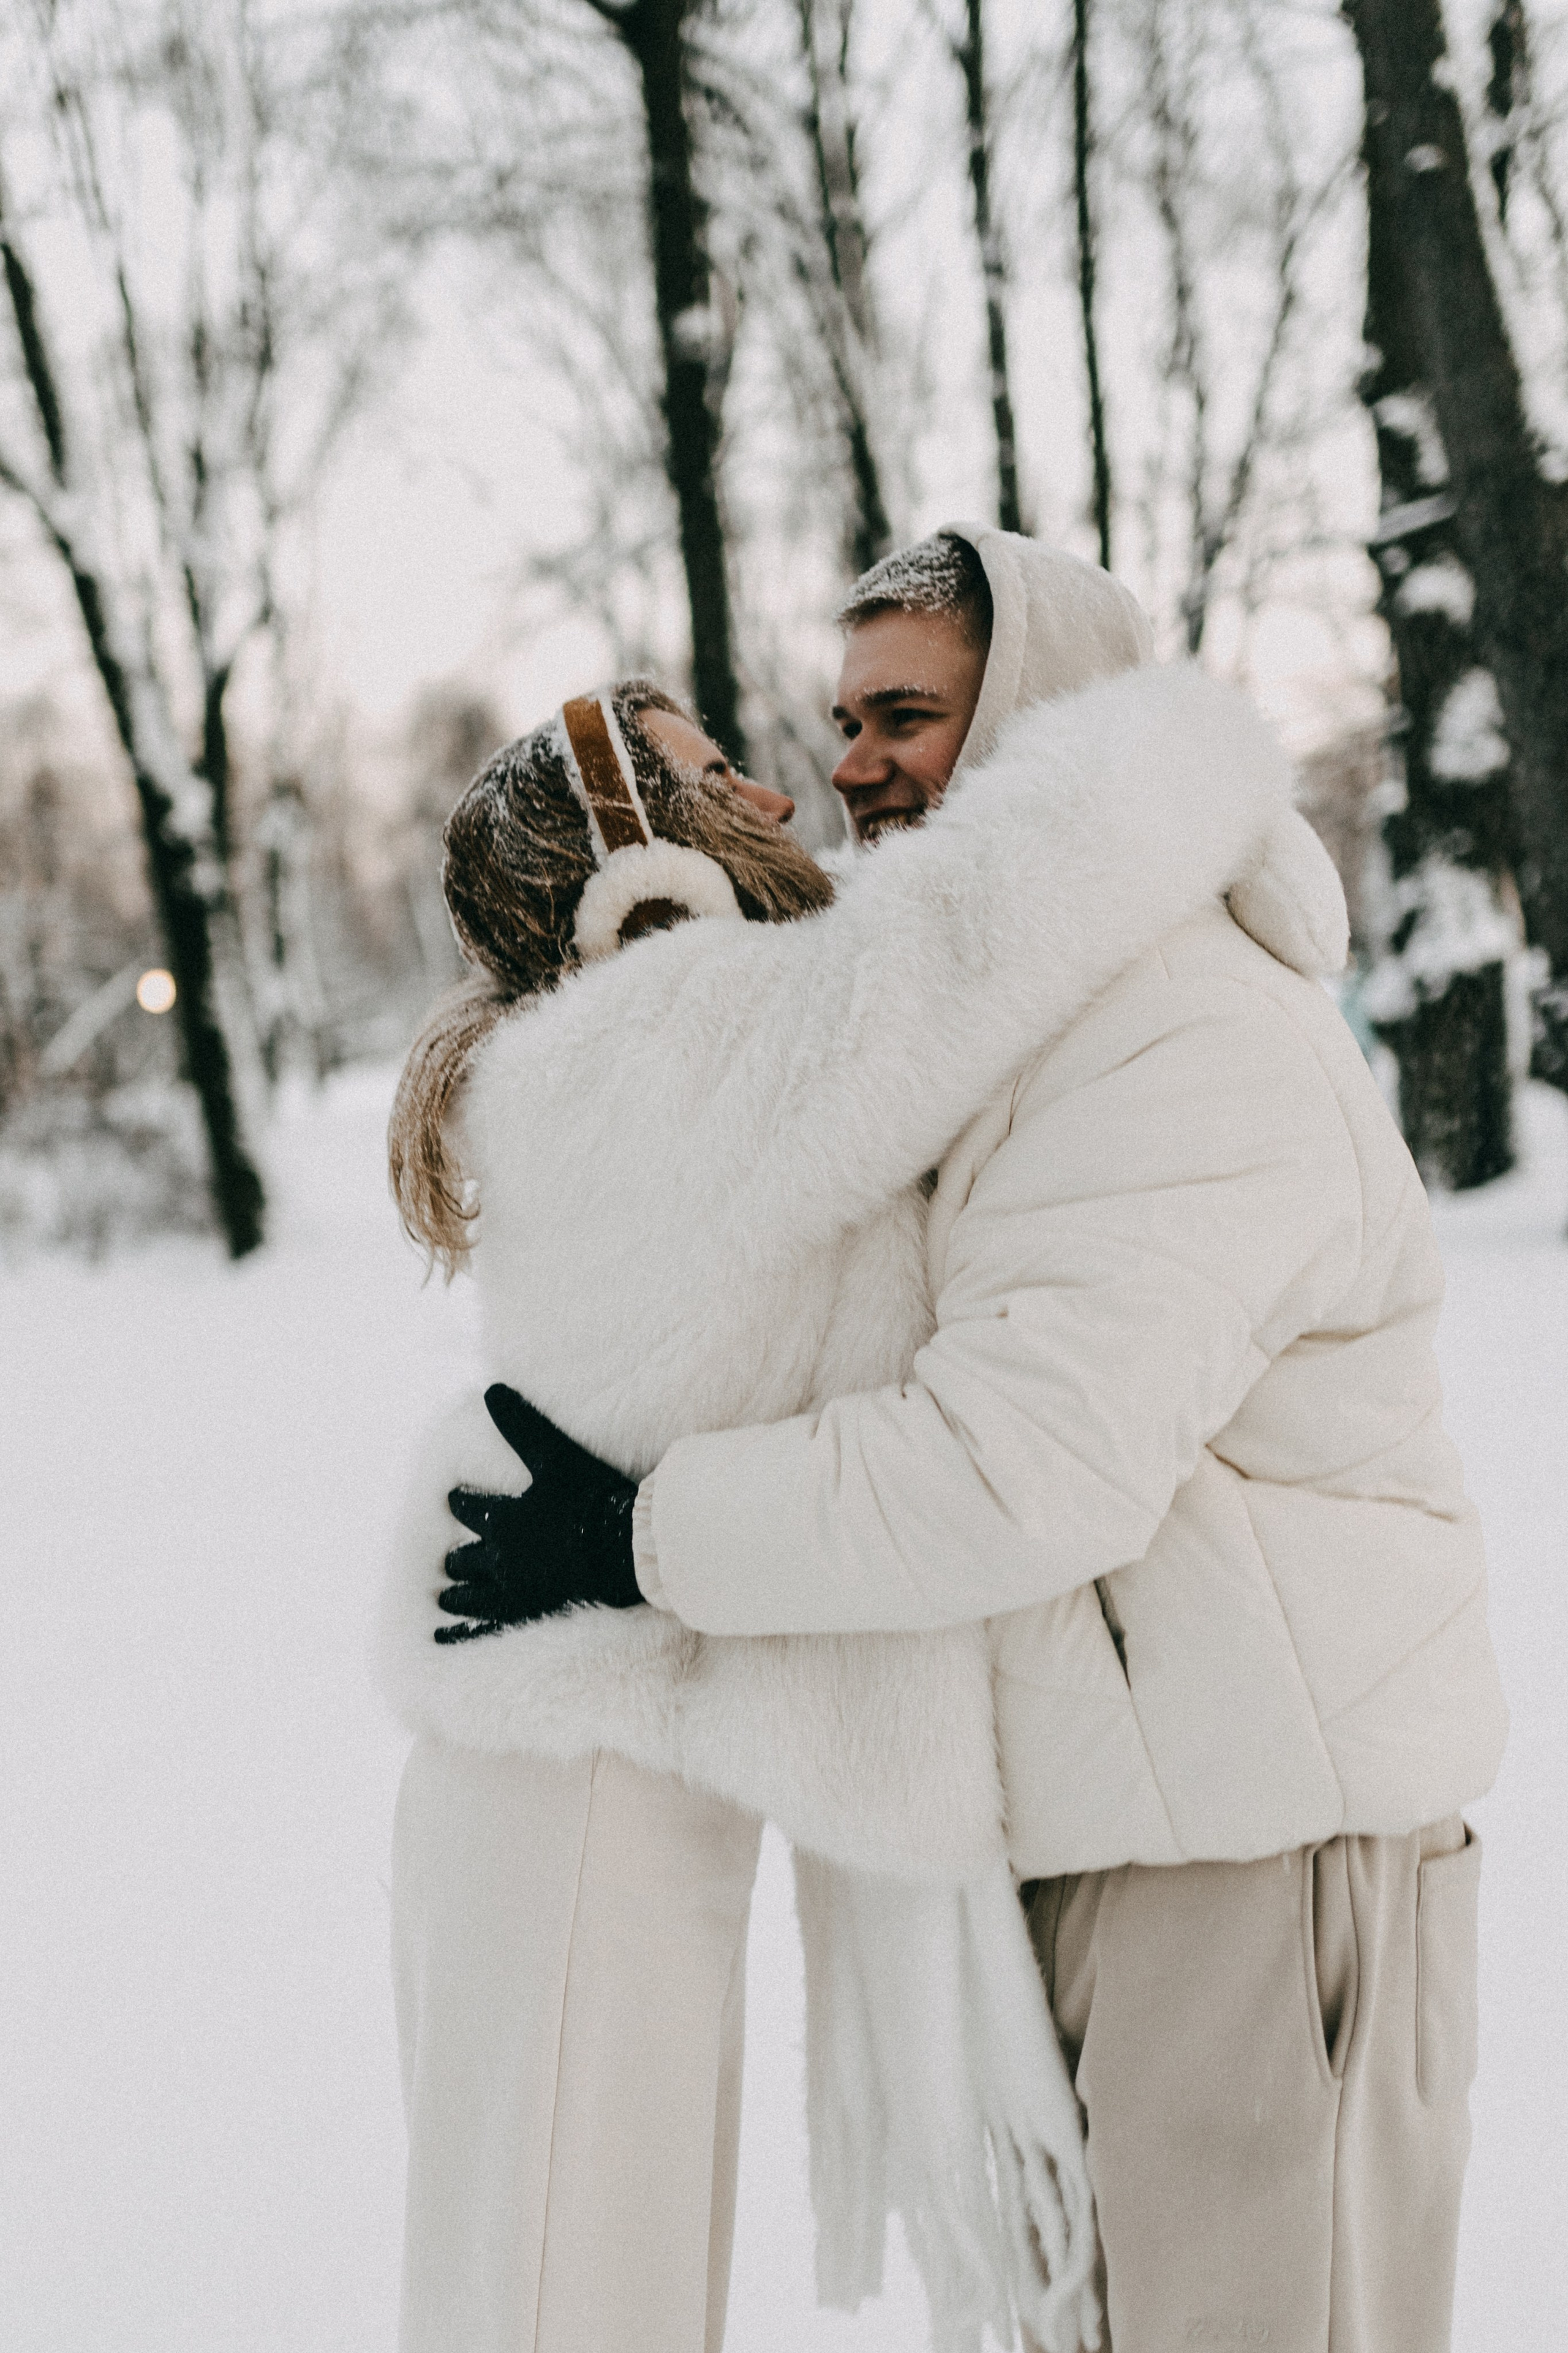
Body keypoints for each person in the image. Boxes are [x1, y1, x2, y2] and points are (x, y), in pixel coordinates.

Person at [436, 527, 1508, 2353]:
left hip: (1262, 1864)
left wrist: (644, 1536)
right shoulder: (1008, 1024)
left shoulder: (1178, 1024)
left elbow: (1017, 1466)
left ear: (1040, 717)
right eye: (844, 715)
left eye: (909, 714)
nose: (851, 764)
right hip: (1122, 1841)